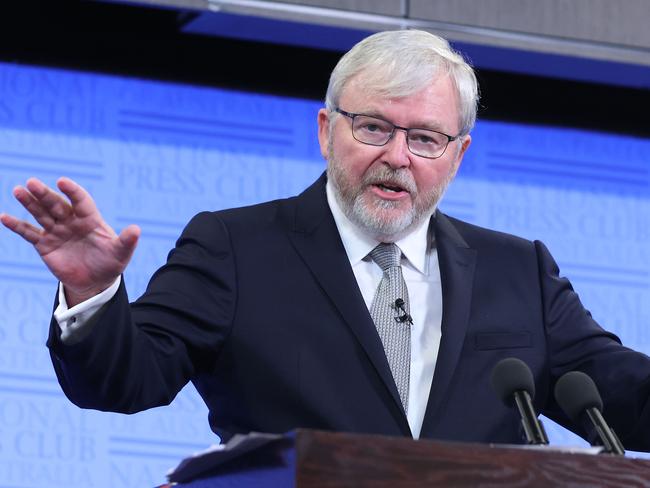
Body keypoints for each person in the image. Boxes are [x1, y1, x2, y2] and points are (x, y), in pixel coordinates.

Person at [1, 30, 649, 449]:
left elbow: (616, 395)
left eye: (424, 138)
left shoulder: (519, 270)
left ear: (457, 156)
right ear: (325, 130)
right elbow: (124, 381)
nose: (397, 156)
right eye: (373, 128)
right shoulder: (235, 246)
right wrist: (92, 291)